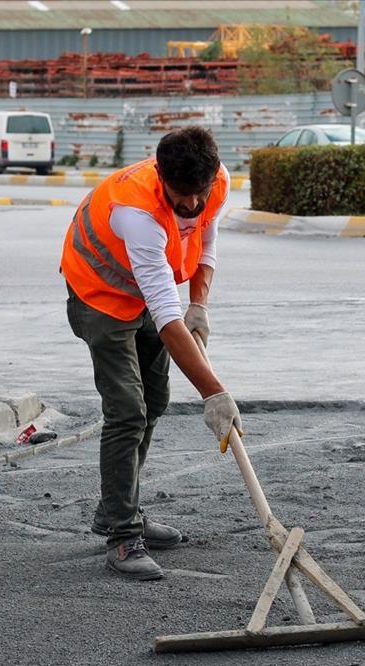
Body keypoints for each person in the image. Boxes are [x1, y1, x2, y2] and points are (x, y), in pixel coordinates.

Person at [62, 126, 243, 580]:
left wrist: (199, 303)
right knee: (127, 411)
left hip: (142, 293)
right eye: (181, 197)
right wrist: (213, 392)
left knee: (155, 400)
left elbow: (206, 243)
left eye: (197, 195)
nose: (190, 206)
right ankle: (123, 537)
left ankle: (116, 508)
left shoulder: (215, 180)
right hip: (100, 296)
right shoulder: (137, 212)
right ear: (161, 176)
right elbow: (166, 315)